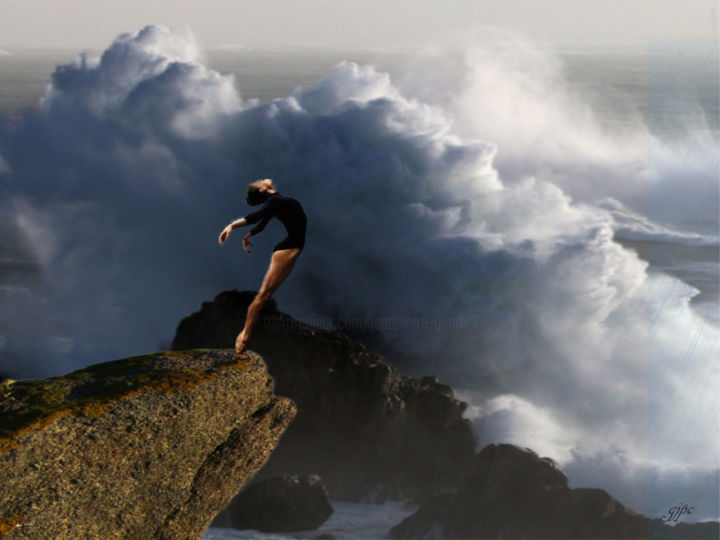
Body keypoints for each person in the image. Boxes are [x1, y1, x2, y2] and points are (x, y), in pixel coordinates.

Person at [218, 179, 307, 358]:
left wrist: (248, 236)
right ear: (263, 189)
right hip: (288, 248)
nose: (267, 179)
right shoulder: (274, 202)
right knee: (263, 295)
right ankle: (243, 339)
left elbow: (262, 223)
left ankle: (243, 341)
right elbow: (257, 217)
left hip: (292, 247)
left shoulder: (275, 203)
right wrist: (232, 226)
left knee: (265, 295)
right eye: (262, 181)